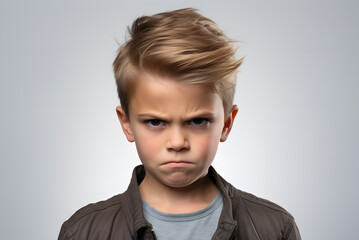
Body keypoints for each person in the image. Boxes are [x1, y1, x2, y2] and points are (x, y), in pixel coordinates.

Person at [58, 8, 301, 240]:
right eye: (155, 122)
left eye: (197, 121)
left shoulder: (275, 229)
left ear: (226, 124)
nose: (177, 143)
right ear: (127, 123)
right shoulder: (82, 232)